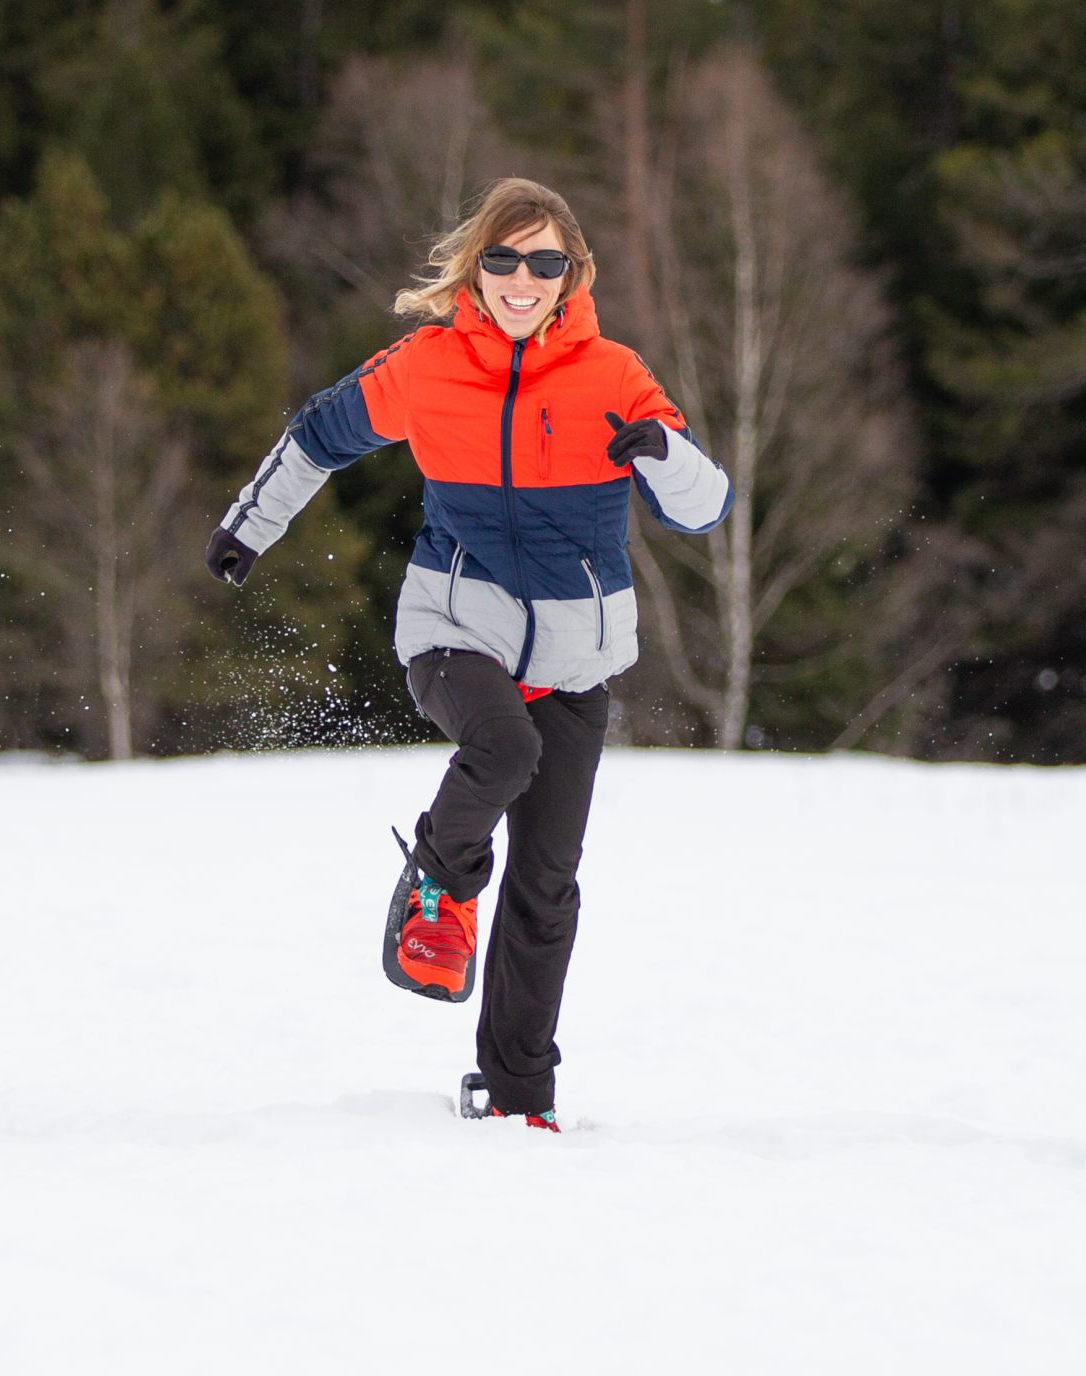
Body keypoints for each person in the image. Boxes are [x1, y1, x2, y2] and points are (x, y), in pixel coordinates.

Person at [205, 178, 731, 1131]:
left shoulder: (614, 376)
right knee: (504, 750)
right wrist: (252, 526)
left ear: (574, 276)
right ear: (475, 270)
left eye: (544, 263)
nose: (521, 281)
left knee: (547, 887)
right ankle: (438, 882)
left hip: (577, 661)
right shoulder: (430, 366)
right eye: (502, 259)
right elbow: (318, 435)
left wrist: (660, 450)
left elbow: (706, 507)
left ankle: (518, 1092)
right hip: (455, 631)